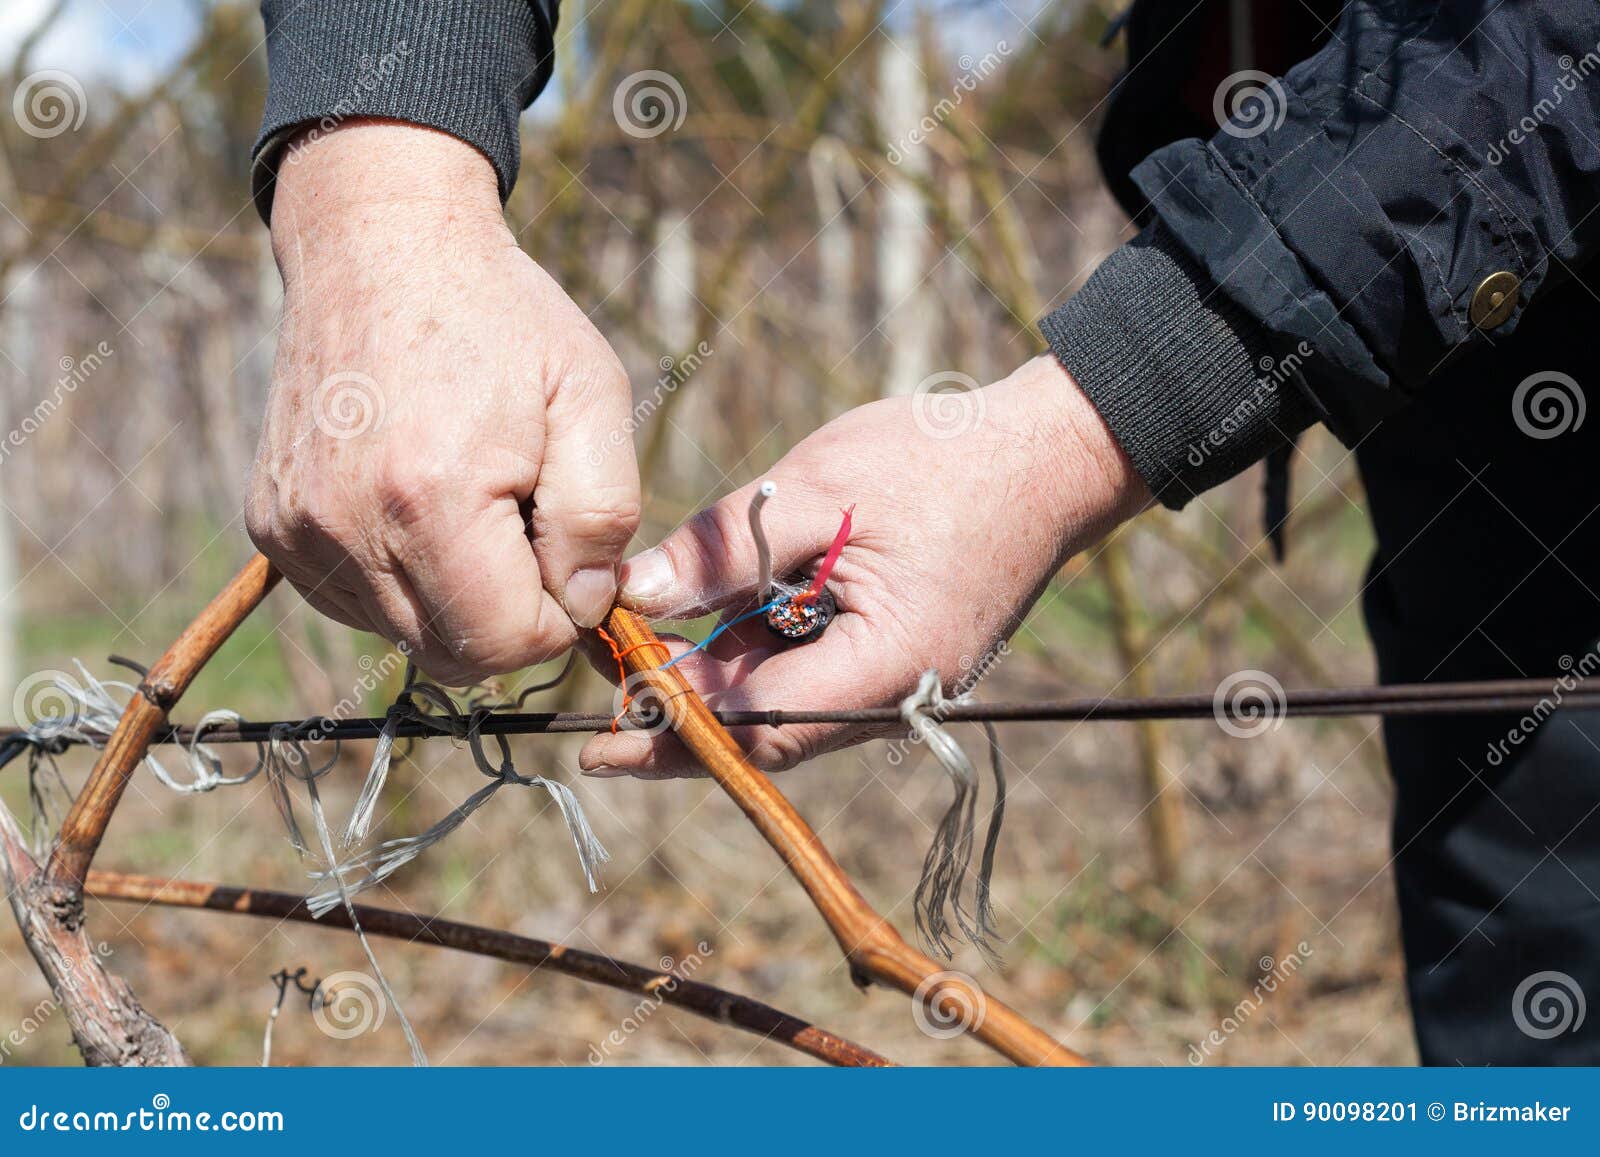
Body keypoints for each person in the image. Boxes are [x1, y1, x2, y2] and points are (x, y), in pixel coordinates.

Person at [245, 1, 1600, 1064]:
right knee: (1531, 992)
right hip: (1466, 348)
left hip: (1497, 233)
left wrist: (1082, 426)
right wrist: (378, 192)